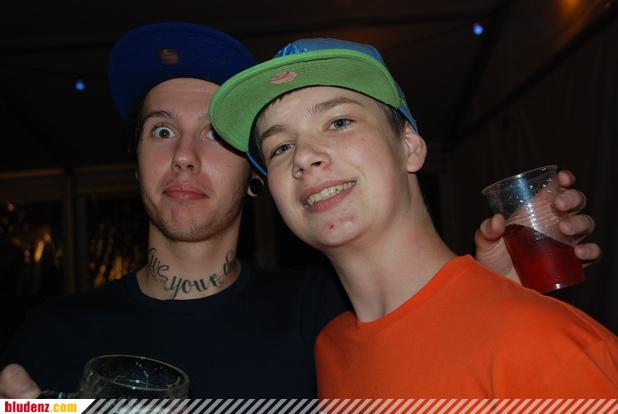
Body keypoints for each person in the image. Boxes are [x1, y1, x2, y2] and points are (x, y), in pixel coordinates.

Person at [0, 24, 600, 398]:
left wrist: (482, 293)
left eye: (337, 122)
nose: (183, 156)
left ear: (253, 181)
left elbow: (436, 328)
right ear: (133, 167)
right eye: (161, 132)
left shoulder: (316, 313)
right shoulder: (47, 335)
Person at [208, 38, 617, 397]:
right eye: (280, 147)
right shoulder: (331, 348)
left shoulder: (548, 348)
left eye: (339, 122)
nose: (303, 156)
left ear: (410, 147)